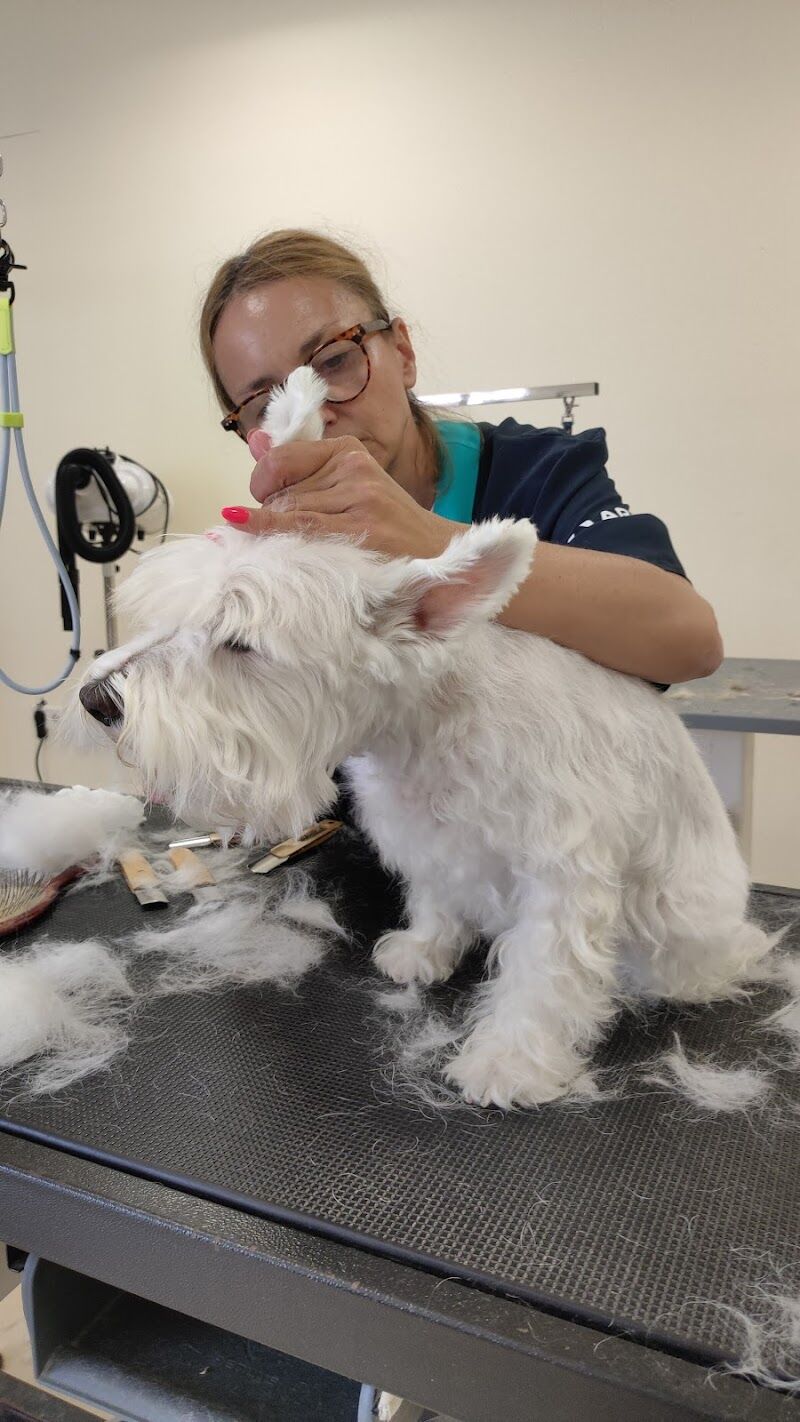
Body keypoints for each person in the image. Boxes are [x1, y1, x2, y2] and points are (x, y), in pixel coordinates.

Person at [200, 229, 722, 689]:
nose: (313, 413)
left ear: (402, 353)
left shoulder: (537, 475)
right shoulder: (283, 548)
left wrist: (426, 539)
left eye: (335, 361)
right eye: (265, 403)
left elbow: (689, 641)